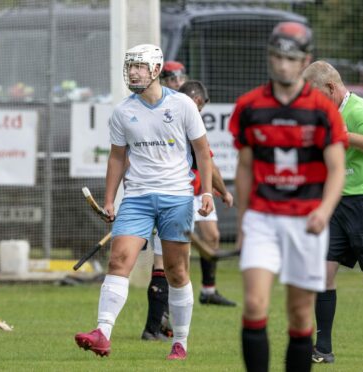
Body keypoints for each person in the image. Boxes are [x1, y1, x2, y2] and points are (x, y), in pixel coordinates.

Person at [74, 44, 214, 360]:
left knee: (177, 271)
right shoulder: (124, 111)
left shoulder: (182, 106)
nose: (133, 72)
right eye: (130, 67)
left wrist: (206, 192)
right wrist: (109, 199)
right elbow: (116, 157)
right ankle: (102, 333)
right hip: (136, 197)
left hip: (177, 198)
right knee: (118, 260)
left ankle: (180, 342)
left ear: (155, 69)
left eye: (138, 66)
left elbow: (202, 152)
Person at [229, 22, 347, 372]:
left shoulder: (322, 110)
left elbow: (337, 169)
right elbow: (245, 168)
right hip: (263, 217)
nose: (282, 65)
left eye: (290, 58)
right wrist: (243, 223)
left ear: (304, 60)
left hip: (306, 220)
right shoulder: (249, 106)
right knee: (253, 303)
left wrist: (324, 211)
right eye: (277, 57)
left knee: (298, 314)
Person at [303, 60, 363, 364]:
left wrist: (345, 136)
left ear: (331, 88)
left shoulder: (358, 110)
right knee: (323, 273)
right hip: (338, 204)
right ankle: (323, 350)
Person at [141, 80, 236, 341]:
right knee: (171, 264)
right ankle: (155, 325)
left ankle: (160, 322)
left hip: (167, 197)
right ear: (194, 101)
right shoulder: (182, 121)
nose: (201, 112)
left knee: (173, 261)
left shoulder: (160, 117)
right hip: (176, 198)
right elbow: (207, 159)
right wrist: (223, 192)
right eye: (201, 106)